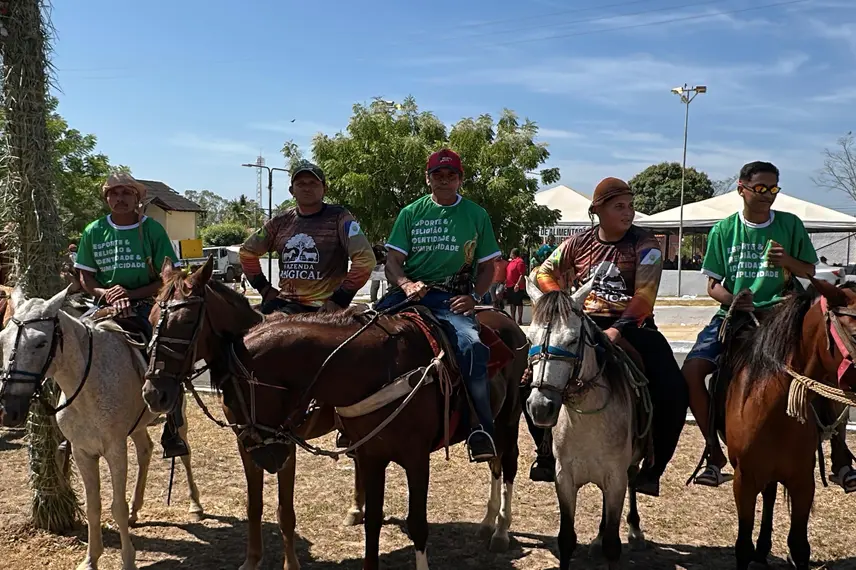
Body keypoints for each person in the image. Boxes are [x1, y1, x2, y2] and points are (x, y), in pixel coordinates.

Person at [684, 161, 855, 491]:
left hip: (784, 315)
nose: (768, 195)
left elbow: (809, 271)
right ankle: (713, 453)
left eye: (773, 189)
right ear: (742, 188)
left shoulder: (790, 225)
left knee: (830, 367)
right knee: (693, 372)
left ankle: (841, 456)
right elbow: (713, 285)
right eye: (761, 188)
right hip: (736, 316)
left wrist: (787, 262)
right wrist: (733, 298)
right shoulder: (723, 230)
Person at [534, 177, 689, 496]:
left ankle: (652, 468)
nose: (628, 212)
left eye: (631, 206)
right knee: (531, 379)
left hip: (633, 326)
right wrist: (563, 303)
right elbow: (542, 273)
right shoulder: (578, 242)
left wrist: (618, 330)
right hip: (583, 323)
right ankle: (546, 454)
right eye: (619, 206)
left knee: (673, 390)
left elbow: (645, 296)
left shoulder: (646, 244)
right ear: (598, 210)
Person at [377, 148, 502, 462]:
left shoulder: (476, 214)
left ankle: (480, 428)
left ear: (460, 179)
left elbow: (488, 266)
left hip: (452, 298)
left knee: (471, 346)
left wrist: (474, 297)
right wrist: (405, 283)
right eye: (438, 175)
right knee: (359, 335)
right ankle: (350, 417)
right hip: (409, 294)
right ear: (427, 178)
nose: (444, 180)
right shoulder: (410, 213)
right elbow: (393, 261)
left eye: (451, 175)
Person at [74, 172, 189, 458]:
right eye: (114, 193)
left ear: (137, 198)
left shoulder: (152, 229)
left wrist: (129, 295)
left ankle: (173, 425)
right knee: (67, 343)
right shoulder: (93, 230)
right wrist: (106, 294)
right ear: (107, 198)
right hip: (104, 302)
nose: (120, 198)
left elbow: (168, 276)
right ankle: (68, 420)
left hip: (146, 301)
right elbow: (86, 278)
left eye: (126, 193)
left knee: (164, 349)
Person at [240, 161, 375, 315]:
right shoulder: (280, 221)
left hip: (323, 309)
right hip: (285, 303)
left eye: (313, 183)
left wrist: (340, 300)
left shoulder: (340, 218)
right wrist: (264, 288)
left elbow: (365, 259)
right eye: (301, 183)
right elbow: (247, 252)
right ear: (292, 190)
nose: (307, 188)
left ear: (325, 189)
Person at [505, 248, 527, 325]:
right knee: (511, 303)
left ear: (513, 253)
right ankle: (513, 319)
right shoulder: (511, 262)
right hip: (509, 285)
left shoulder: (520, 262)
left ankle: (520, 320)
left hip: (517, 286)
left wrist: (517, 284)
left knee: (519, 303)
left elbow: (522, 274)